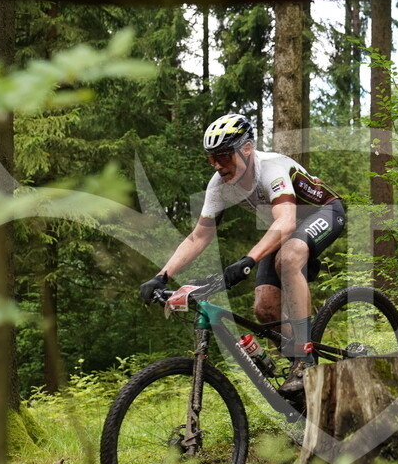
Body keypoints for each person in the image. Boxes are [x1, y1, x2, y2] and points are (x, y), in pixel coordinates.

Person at [139, 113, 346, 396]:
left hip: (325, 212)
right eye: (211, 159)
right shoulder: (219, 185)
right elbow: (199, 237)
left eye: (224, 156)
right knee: (265, 308)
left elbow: (286, 222)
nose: (217, 165)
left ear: (247, 148)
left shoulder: (271, 168)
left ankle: (305, 358)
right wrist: (162, 276)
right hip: (283, 228)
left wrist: (248, 260)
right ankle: (299, 378)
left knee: (288, 258)